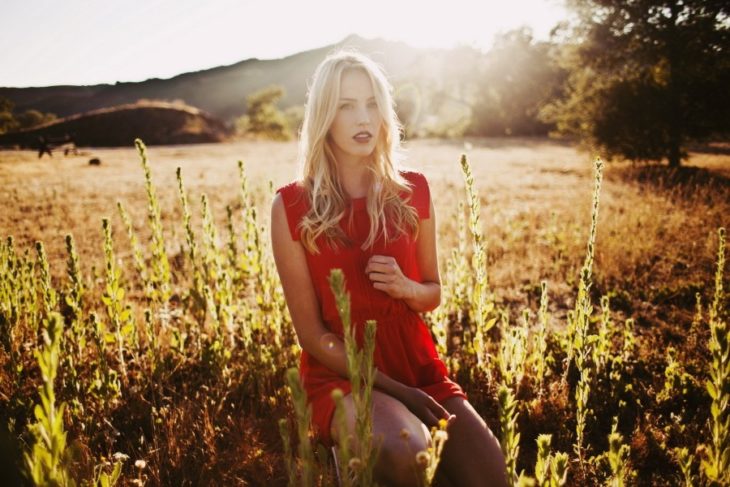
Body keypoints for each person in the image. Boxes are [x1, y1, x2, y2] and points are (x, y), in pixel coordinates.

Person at [271, 49, 507, 487]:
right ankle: (352, 459)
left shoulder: (413, 190)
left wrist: (405, 287)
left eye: (372, 103)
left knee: (491, 475)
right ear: (324, 114)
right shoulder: (292, 206)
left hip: (417, 366)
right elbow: (311, 335)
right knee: (406, 451)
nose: (364, 117)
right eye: (346, 105)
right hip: (342, 374)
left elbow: (433, 292)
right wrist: (401, 394)